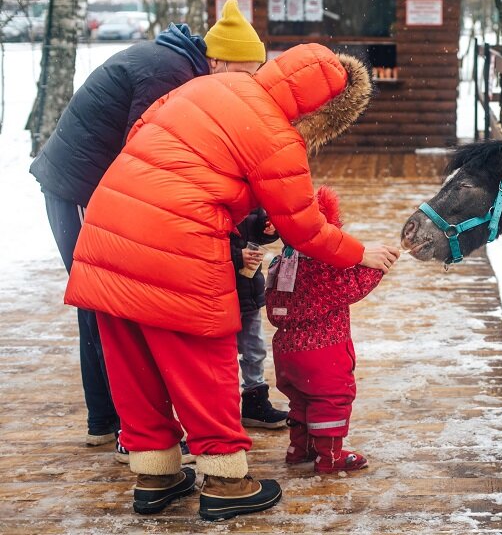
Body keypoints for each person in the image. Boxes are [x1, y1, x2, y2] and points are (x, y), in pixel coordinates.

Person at [64, 42, 399, 520]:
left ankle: (155, 474)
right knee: (204, 361)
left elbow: (142, 134)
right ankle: (225, 482)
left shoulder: (204, 85)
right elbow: (304, 228)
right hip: (175, 242)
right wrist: (361, 252)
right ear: (320, 113)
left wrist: (228, 202)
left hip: (106, 231)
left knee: (133, 359)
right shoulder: (276, 134)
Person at [29, 0, 266, 451]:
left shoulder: (179, 66)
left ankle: (109, 421)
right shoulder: (170, 75)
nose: (245, 85)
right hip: (82, 188)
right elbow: (147, 156)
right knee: (109, 298)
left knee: (105, 302)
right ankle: (126, 430)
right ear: (214, 60)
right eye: (241, 73)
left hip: (97, 187)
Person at [265, 186, 385, 474]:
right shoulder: (324, 264)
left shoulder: (281, 262)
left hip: (286, 351)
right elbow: (350, 287)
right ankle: (330, 456)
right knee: (331, 398)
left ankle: (299, 448)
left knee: (301, 400)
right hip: (323, 350)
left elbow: (272, 305)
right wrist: (377, 267)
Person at [231, 208, 289, 429]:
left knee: (255, 349)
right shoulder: (209, 193)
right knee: (222, 356)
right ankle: (223, 409)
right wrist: (237, 256)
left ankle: (254, 404)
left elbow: (257, 229)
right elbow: (199, 244)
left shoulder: (249, 195)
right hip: (217, 291)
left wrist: (268, 228)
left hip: (248, 288)